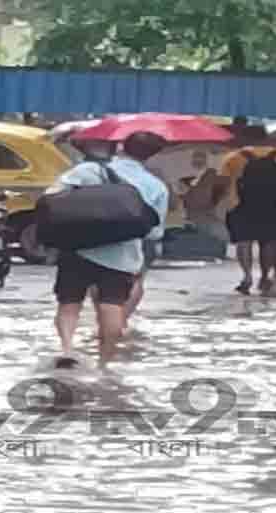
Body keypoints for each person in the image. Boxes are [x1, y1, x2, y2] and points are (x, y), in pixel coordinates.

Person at [46, 131, 169, 370]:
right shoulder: (156, 186)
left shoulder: (89, 170)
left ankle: (67, 349)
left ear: (122, 146)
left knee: (69, 302)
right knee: (111, 305)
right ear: (153, 155)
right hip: (122, 256)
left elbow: (52, 196)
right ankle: (104, 362)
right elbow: (154, 232)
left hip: (78, 247)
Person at [219, 127, 276, 296]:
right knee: (269, 241)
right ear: (266, 138)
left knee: (243, 241)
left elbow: (222, 182)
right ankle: (266, 276)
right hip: (272, 205)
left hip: (240, 205)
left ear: (245, 138)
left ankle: (247, 276)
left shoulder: (233, 158)